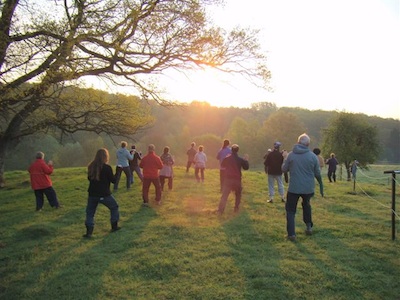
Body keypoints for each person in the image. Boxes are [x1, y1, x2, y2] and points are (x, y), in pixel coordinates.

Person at [282, 133, 324, 242]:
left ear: (298, 142)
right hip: (308, 188)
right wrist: (320, 185)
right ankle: (309, 226)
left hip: (294, 187)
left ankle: (291, 234)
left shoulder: (291, 155)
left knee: (290, 210)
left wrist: (285, 158)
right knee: (306, 205)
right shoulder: (312, 156)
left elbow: (284, 169)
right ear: (308, 144)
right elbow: (317, 173)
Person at [83, 148, 121, 238]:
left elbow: (89, 178)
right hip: (104, 194)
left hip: (92, 194)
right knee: (114, 207)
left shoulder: (91, 166)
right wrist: (118, 172)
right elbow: (114, 181)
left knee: (90, 213)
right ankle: (114, 226)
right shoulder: (107, 168)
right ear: (105, 157)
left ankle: (89, 232)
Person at [217, 144, 249, 214]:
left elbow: (222, 165)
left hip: (228, 179)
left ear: (231, 150)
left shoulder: (227, 158)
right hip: (237, 180)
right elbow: (246, 168)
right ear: (238, 151)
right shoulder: (240, 159)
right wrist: (246, 160)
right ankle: (236, 209)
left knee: (224, 196)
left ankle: (220, 211)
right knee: (238, 194)